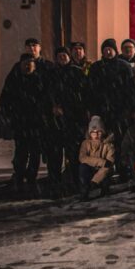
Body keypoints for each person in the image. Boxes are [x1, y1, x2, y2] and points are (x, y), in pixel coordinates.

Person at [0, 53, 46, 194]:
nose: (28, 66)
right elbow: (5, 98)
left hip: (36, 122)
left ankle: (31, 176)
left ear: (34, 66)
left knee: (35, 151)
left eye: (30, 64)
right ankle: (19, 175)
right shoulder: (14, 79)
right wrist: (8, 114)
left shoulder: (39, 79)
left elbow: (45, 98)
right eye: (25, 63)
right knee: (21, 150)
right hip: (20, 122)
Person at [46, 46, 88, 196]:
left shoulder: (77, 72)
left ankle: (75, 182)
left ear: (69, 57)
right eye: (59, 56)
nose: (62, 58)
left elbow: (84, 95)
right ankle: (55, 183)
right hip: (56, 121)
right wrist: (53, 107)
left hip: (73, 120)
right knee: (55, 155)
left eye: (64, 55)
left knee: (74, 154)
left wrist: (71, 109)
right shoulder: (51, 74)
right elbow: (47, 94)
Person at [85, 38, 135, 147]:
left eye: (110, 49)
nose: (108, 52)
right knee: (101, 140)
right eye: (105, 49)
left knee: (120, 140)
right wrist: (92, 110)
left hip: (120, 110)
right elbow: (90, 90)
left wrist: (128, 109)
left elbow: (130, 90)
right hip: (100, 110)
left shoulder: (124, 66)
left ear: (115, 51)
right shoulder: (95, 67)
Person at [77, 115, 115, 201]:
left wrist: (95, 180)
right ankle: (84, 193)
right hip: (90, 169)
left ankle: (105, 188)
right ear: (90, 133)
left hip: (103, 170)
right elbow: (82, 158)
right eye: (93, 132)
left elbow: (109, 163)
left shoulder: (108, 145)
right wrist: (101, 162)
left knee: (108, 170)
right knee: (83, 168)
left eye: (99, 132)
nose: (96, 135)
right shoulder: (85, 143)